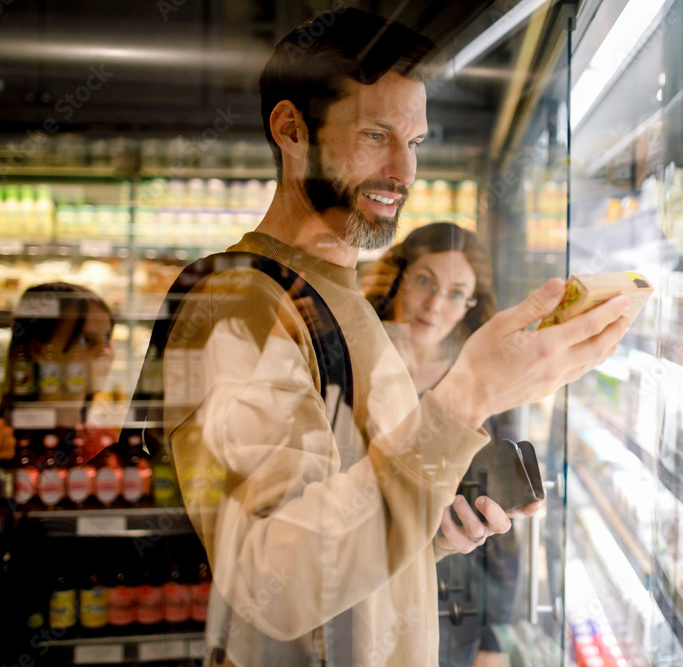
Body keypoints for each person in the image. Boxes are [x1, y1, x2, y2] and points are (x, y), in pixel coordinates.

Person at [159, 9, 631, 667]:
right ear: (292, 130)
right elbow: (273, 582)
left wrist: (433, 529)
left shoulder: (343, 297)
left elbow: (341, 540)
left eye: (414, 141)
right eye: (376, 134)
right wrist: (466, 396)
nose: (402, 170)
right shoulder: (237, 305)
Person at [362, 221, 521, 667]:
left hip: (449, 608)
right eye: (425, 281)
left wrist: (494, 641)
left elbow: (502, 521)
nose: (435, 305)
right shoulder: (354, 356)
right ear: (398, 277)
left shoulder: (481, 385)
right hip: (358, 591)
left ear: (470, 306)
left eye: (455, 293)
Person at [0, 282, 116, 464]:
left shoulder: (103, 438)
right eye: (85, 340)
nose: (104, 351)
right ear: (37, 350)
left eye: (107, 338)